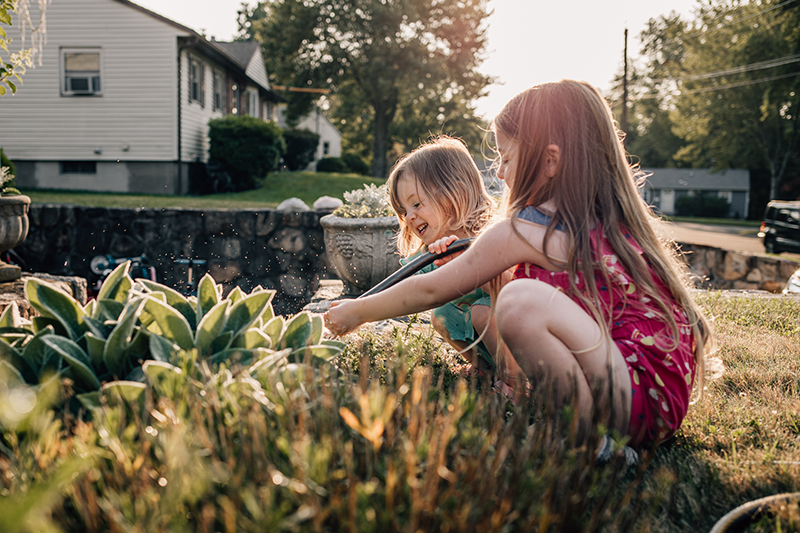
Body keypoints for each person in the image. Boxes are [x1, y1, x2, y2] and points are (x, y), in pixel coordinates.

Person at [325, 80, 716, 447]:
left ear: (549, 161)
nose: (497, 171)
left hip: (631, 399)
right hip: (656, 398)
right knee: (519, 296)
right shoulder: (603, 220)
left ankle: (584, 441)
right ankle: (583, 430)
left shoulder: (529, 229)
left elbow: (431, 288)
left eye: (506, 157)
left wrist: (358, 311)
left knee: (520, 302)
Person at [385, 136, 504, 379]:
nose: (409, 217)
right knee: (441, 315)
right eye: (404, 211)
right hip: (484, 334)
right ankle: (486, 370)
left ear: (454, 193)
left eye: (416, 204)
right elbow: (410, 289)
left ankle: (515, 382)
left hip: (515, 334)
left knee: (482, 313)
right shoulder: (436, 252)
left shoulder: (490, 237)